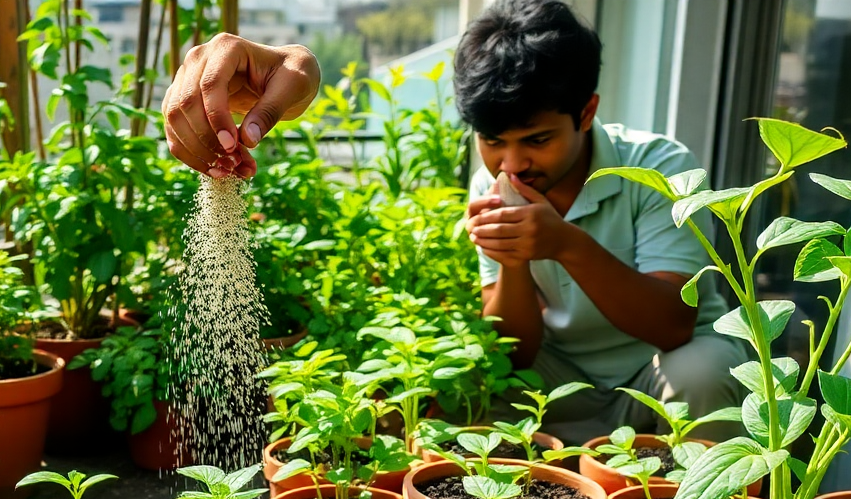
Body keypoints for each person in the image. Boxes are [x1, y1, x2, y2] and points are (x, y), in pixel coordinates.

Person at [162, 0, 746, 443]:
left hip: (655, 379)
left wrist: (566, 244)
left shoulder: (658, 167)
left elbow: (672, 324)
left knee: (707, 368)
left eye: (537, 140)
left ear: (586, 112)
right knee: (462, 400)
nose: (513, 164)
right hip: (554, 379)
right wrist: (516, 261)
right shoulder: (494, 187)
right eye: (494, 143)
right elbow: (512, 352)